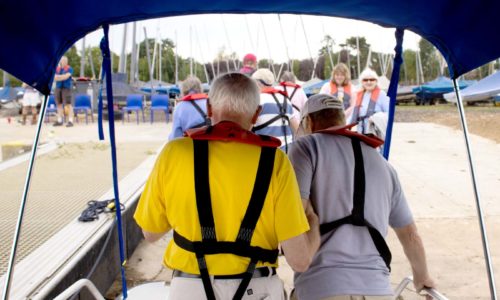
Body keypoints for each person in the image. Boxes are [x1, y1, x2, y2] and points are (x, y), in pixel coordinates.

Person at [134, 72, 320, 300]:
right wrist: (312, 219)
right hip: (258, 288)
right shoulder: (276, 162)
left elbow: (151, 233)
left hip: (190, 289)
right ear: (257, 115)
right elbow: (299, 260)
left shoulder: (174, 154)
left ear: (210, 109)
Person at [288, 93, 435, 300]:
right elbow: (411, 235)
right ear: (343, 122)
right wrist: (422, 277)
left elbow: (294, 213)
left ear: (309, 122)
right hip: (378, 290)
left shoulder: (305, 148)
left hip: (321, 287)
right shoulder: (384, 166)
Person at [252, 68, 297, 152]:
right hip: (287, 152)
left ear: (257, 83)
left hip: (266, 153)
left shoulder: (257, 101)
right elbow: (297, 128)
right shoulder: (286, 99)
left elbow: (247, 127)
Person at [348, 68, 389, 134]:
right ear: (362, 82)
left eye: (372, 80)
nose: (368, 82)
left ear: (376, 81)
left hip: (376, 132)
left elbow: (389, 114)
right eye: (365, 80)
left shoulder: (382, 94)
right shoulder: (359, 95)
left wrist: (375, 118)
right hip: (361, 132)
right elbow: (352, 117)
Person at [168, 76, 209, 140]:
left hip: (191, 147)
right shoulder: (210, 103)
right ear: (200, 88)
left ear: (183, 90)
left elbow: (176, 137)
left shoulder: (179, 108)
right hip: (213, 146)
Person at [53, 56, 74, 127]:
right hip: (58, 88)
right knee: (59, 104)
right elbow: (54, 78)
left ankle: (70, 121)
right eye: (62, 61)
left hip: (66, 88)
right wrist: (62, 77)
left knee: (68, 104)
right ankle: (59, 120)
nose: (64, 62)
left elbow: (67, 76)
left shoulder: (69, 68)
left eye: (65, 61)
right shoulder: (57, 68)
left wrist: (59, 77)